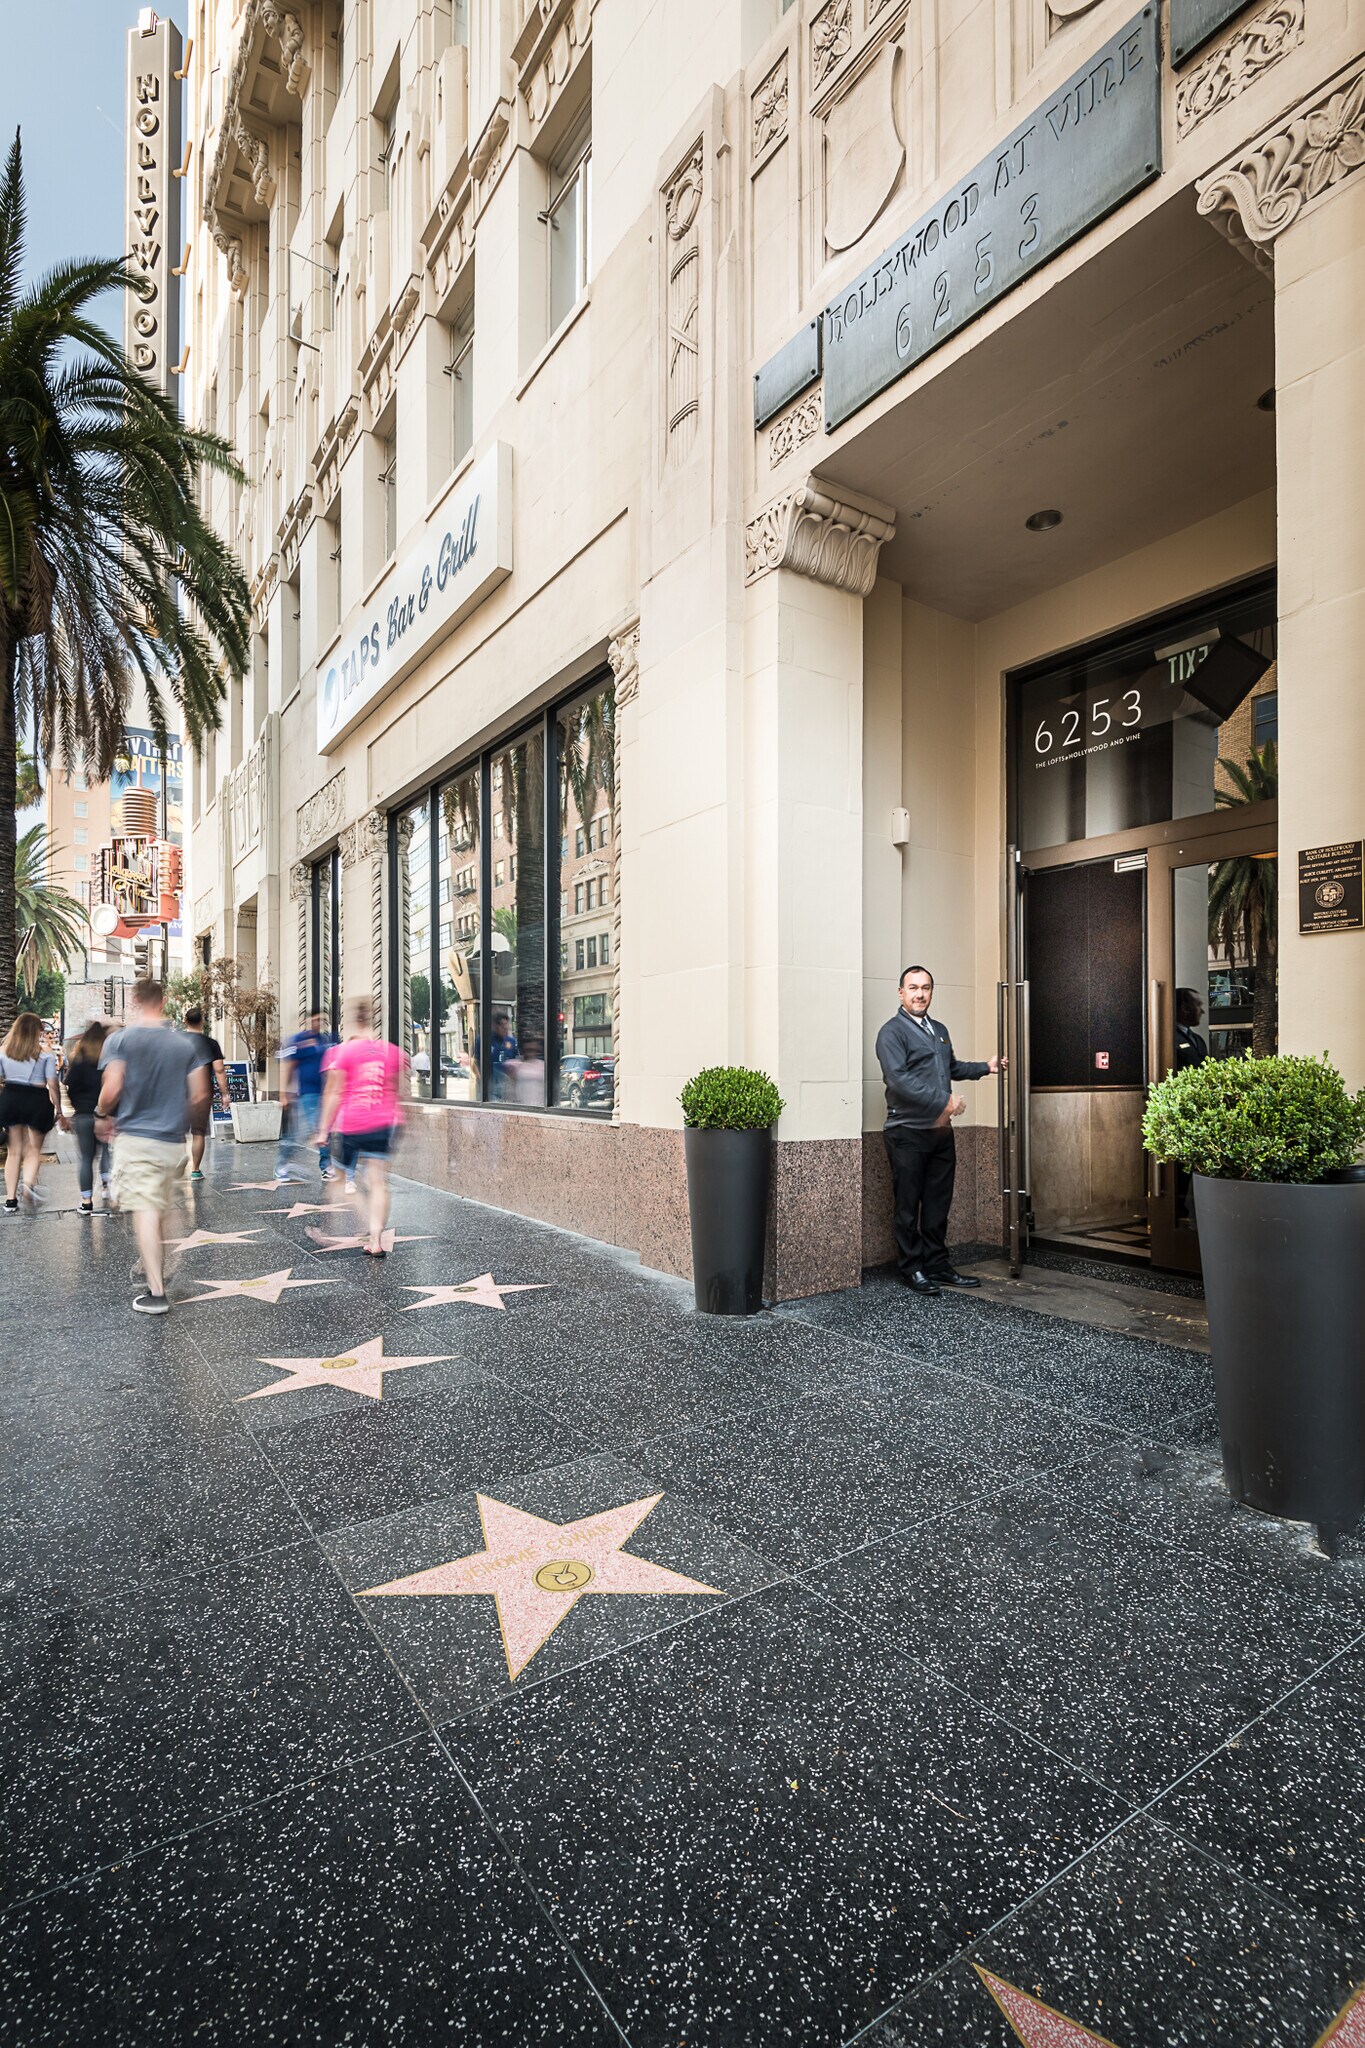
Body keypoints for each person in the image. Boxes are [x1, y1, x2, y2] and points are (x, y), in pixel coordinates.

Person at [875, 964, 1003, 1296]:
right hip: (907, 1132)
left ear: (932, 992)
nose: (920, 994)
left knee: (937, 1204)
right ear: (901, 993)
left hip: (940, 1134)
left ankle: (937, 1264)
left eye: (926, 988)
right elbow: (899, 1080)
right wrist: (944, 1101)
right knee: (908, 1206)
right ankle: (912, 1268)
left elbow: (951, 1067)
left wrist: (985, 1067)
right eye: (913, 988)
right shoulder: (891, 1033)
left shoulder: (939, 1030)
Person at [96, 979, 208, 1314]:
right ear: (164, 1001)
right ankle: (164, 1259)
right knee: (163, 1206)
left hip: (137, 1139)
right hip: (173, 1142)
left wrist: (101, 1113)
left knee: (145, 1210)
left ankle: (156, 1291)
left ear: (135, 1000)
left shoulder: (120, 1040)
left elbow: (112, 1089)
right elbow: (200, 1094)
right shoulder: (183, 1045)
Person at [315, 997, 407, 1256]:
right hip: (384, 1123)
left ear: (354, 1021)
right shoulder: (392, 1052)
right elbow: (399, 1091)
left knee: (339, 1180)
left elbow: (334, 1092)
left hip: (352, 1124)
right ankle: (376, 1241)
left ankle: (354, 1222)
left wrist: (323, 1129)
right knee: (378, 1181)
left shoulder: (342, 1052)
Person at [0, 1012, 63, 1213]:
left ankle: (10, 1200)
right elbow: (52, 1083)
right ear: (37, 1031)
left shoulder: (3, 1051)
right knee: (34, 1149)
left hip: (11, 1097)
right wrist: (59, 1109)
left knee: (13, 1152)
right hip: (37, 1099)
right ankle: (27, 1185)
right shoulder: (45, 1053)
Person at [274, 1010, 336, 1181]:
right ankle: (284, 1165)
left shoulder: (324, 1040)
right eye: (315, 1020)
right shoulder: (299, 1040)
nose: (318, 1023)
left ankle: (323, 1166)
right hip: (307, 1093)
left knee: (318, 1130)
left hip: (324, 1093)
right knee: (316, 1129)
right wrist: (284, 1094)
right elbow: (290, 1067)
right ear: (307, 1021)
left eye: (321, 1020)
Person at [66, 1020, 113, 1215]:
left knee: (86, 1159)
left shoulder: (78, 1062)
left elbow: (69, 1087)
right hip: (105, 1114)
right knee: (107, 1152)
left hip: (84, 1115)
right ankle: (107, 1187)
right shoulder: (107, 1063)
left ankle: (86, 1202)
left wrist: (77, 1105)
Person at [182, 1005, 229, 1180]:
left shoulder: (176, 1041)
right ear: (203, 1021)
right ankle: (195, 1170)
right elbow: (219, 1070)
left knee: (177, 1131)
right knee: (198, 1132)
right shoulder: (211, 1043)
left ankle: (179, 1163)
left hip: (176, 1090)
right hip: (201, 1092)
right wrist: (224, 1094)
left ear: (185, 1021)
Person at [1175, 987, 1209, 1070]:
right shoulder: (1168, 1041)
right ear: (1185, 1008)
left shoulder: (1198, 1040)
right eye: (1198, 1005)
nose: (1202, 1011)